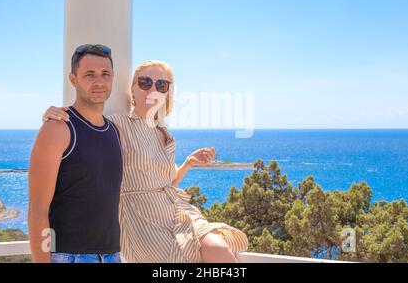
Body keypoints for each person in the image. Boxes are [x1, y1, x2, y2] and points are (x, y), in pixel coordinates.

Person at [43, 60, 248, 263]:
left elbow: (166, 184)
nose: (153, 89)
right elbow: (84, 125)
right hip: (141, 220)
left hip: (177, 213)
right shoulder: (118, 124)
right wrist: (55, 114)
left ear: (167, 92)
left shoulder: (163, 132)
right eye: (145, 82)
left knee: (219, 249)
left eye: (161, 85)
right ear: (133, 89)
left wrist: (188, 163)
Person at [28, 44, 123, 263]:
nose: (99, 82)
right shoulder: (57, 128)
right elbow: (37, 209)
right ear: (73, 79)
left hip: (112, 255)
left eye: (105, 74)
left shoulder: (114, 131)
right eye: (89, 74)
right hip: (69, 256)